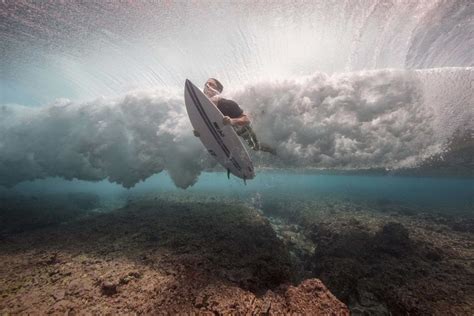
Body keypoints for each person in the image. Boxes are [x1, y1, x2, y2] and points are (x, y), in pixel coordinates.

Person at [195, 78, 276, 155]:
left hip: (243, 129)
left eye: (211, 84)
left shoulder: (226, 104)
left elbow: (246, 120)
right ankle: (255, 114)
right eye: (206, 83)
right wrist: (200, 132)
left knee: (256, 147)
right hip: (227, 133)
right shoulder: (204, 108)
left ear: (218, 90)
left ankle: (273, 150)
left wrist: (231, 121)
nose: (207, 85)